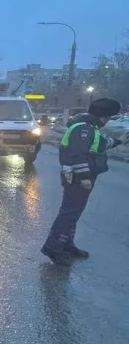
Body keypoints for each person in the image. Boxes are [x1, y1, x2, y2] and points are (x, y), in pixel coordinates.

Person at [42, 97, 127, 265]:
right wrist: (84, 178)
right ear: (103, 116)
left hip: (79, 177)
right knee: (69, 213)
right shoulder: (84, 129)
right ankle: (53, 247)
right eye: (108, 118)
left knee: (74, 213)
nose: (108, 121)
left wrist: (119, 140)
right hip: (76, 178)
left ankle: (66, 244)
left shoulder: (90, 127)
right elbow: (77, 155)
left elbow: (99, 144)